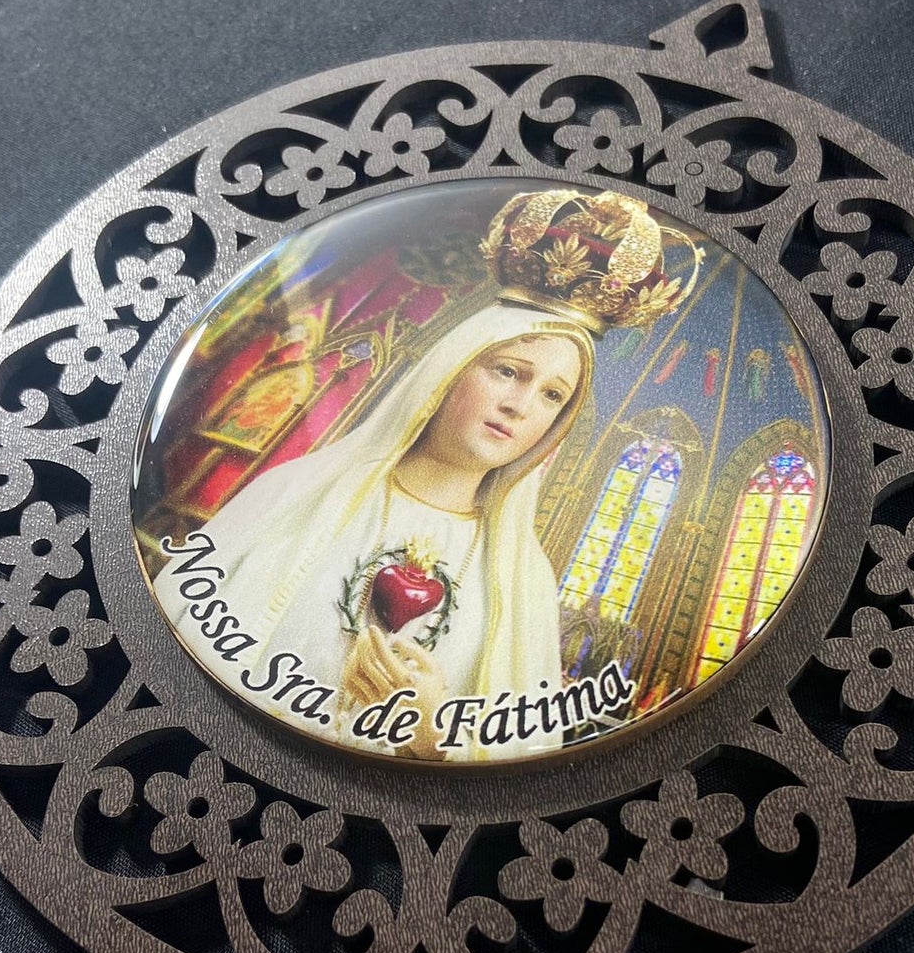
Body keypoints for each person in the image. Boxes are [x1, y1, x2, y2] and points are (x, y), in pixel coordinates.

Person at [152, 300, 594, 761]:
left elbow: (520, 760)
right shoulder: (299, 491)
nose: (519, 406)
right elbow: (173, 645)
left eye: (552, 395)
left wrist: (431, 735)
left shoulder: (526, 580)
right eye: (507, 371)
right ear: (452, 366)